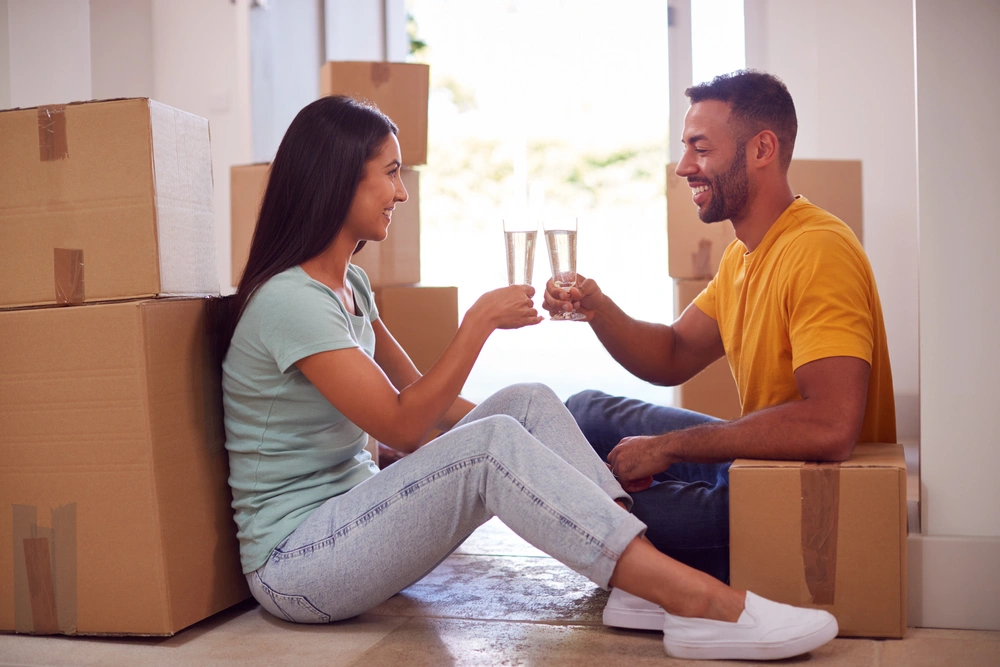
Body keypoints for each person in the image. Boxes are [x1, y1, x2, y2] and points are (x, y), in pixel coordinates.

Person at [220, 94, 839, 661]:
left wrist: (530, 439)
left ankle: (638, 581)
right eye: (391, 172)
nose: (401, 193)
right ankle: (700, 600)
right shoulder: (291, 302)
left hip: (355, 520)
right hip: (298, 564)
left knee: (528, 402)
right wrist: (478, 325)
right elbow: (404, 426)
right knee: (493, 444)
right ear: (338, 179)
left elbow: (428, 405)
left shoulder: (349, 285)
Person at [544, 69, 896, 618]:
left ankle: (645, 556)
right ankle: (616, 521)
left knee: (565, 498)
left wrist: (668, 448)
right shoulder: (743, 255)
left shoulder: (818, 250)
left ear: (762, 149)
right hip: (760, 465)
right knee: (582, 411)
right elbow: (671, 355)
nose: (683, 166)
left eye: (700, 148)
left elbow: (830, 427)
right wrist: (597, 308)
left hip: (802, 496)